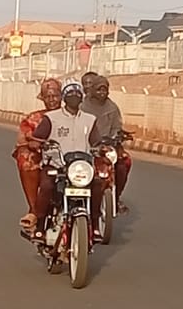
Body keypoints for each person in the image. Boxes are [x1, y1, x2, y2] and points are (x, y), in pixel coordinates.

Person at [32, 80, 102, 242]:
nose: (74, 98)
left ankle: (96, 226)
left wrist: (102, 148)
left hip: (80, 168)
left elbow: (96, 141)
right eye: (70, 95)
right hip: (57, 166)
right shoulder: (51, 118)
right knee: (47, 186)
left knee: (98, 184)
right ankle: (40, 226)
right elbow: (37, 137)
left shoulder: (89, 119)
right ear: (64, 98)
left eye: (77, 95)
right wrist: (37, 143)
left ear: (82, 98)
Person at [12, 77, 62, 230]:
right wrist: (33, 143)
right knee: (25, 157)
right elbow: (22, 139)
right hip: (45, 161)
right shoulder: (33, 119)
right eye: (48, 96)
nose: (52, 100)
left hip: (72, 162)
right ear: (43, 99)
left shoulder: (73, 115)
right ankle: (34, 210)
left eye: (55, 96)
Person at [81, 74, 132, 213]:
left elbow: (117, 126)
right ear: (93, 90)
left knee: (124, 163)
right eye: (99, 90)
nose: (102, 93)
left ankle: (116, 196)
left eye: (105, 90)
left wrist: (116, 136)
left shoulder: (112, 108)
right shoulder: (82, 106)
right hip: (86, 146)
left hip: (108, 147)